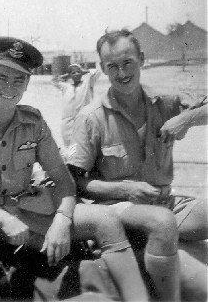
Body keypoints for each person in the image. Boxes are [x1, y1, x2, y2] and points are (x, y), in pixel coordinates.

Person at [0, 36, 149, 301]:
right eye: (1, 77)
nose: (9, 87)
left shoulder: (34, 122)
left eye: (19, 80)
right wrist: (1, 218)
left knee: (104, 219)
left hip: (27, 216)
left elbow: (63, 179)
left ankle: (137, 297)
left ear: (27, 83)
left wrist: (62, 219)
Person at [67, 29, 208, 301]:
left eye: (128, 62)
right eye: (112, 66)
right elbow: (76, 183)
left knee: (171, 218)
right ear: (102, 68)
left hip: (165, 202)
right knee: (162, 223)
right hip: (119, 211)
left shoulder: (165, 103)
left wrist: (186, 119)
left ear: (142, 59)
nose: (121, 73)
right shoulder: (91, 118)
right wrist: (125, 190)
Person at [51, 63, 102, 149]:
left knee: (84, 147)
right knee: (70, 149)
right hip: (67, 123)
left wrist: (83, 71)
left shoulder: (87, 83)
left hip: (83, 121)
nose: (76, 74)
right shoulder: (66, 87)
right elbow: (54, 81)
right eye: (73, 73)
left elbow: (97, 72)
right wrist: (66, 75)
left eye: (78, 72)